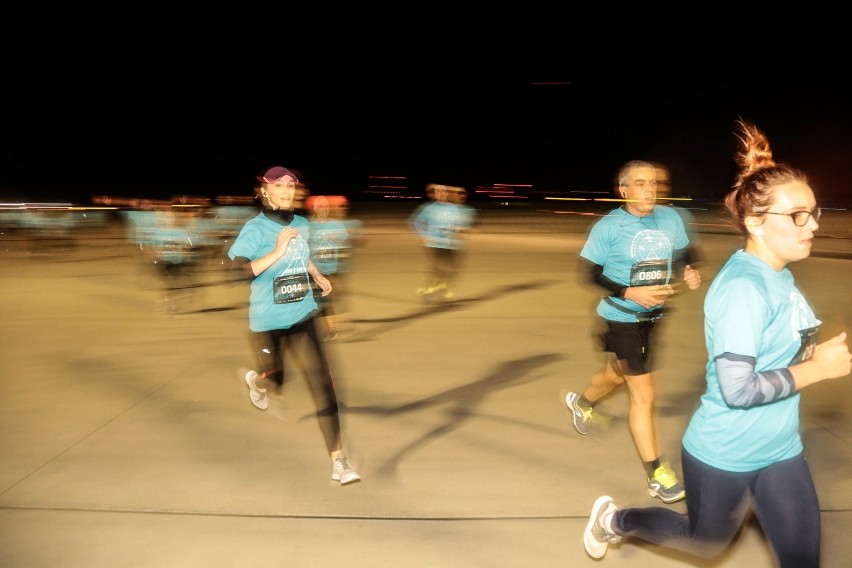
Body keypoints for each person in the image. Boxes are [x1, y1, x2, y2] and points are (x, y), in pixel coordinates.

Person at [582, 120, 851, 565]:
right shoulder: (745, 287)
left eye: (815, 212)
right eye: (797, 215)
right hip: (725, 453)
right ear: (755, 221)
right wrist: (817, 368)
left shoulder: (778, 274)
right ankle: (616, 521)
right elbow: (738, 388)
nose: (812, 225)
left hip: (781, 451)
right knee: (703, 542)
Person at [562, 160, 702, 504]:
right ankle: (657, 474)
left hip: (654, 317)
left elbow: (686, 252)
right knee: (645, 394)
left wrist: (689, 271)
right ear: (623, 191)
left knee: (620, 375)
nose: (650, 189)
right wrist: (629, 292)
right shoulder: (609, 226)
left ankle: (582, 403)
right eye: (640, 184)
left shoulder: (670, 219)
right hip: (621, 316)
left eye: (653, 183)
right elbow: (589, 273)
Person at [227, 165, 361, 485]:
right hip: (268, 322)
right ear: (265, 191)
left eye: (292, 186)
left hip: (304, 313)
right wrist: (276, 251)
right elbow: (238, 272)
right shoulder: (254, 229)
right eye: (280, 186)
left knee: (324, 384)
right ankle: (257, 382)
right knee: (277, 381)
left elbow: (302, 254)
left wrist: (316, 274)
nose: (287, 191)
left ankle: (338, 461)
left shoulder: (301, 223)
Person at [409, 183, 475, 301]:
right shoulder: (429, 208)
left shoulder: (453, 208)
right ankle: (429, 287)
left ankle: (441, 287)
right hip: (434, 243)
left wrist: (458, 229)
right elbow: (415, 221)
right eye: (438, 193)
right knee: (437, 268)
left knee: (451, 269)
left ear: (446, 194)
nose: (441, 194)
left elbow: (457, 225)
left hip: (449, 243)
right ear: (435, 195)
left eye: (443, 192)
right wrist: (422, 235)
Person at [307, 194, 355, 340]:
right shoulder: (309, 227)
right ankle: (332, 329)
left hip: (333, 269)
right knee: (323, 300)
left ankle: (334, 327)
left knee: (330, 299)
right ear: (315, 209)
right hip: (317, 270)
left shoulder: (337, 225)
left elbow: (345, 247)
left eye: (326, 206)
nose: (324, 209)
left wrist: (340, 270)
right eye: (320, 206)